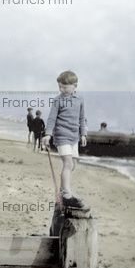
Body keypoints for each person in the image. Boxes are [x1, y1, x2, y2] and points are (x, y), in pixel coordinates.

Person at [42, 70, 88, 210]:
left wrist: (83, 134)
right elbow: (51, 118)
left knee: (73, 164)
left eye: (65, 87)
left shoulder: (80, 100)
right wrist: (48, 134)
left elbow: (82, 118)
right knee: (67, 163)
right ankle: (67, 194)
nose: (61, 89)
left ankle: (63, 192)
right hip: (61, 135)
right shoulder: (58, 100)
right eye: (60, 86)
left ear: (75, 86)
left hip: (74, 136)